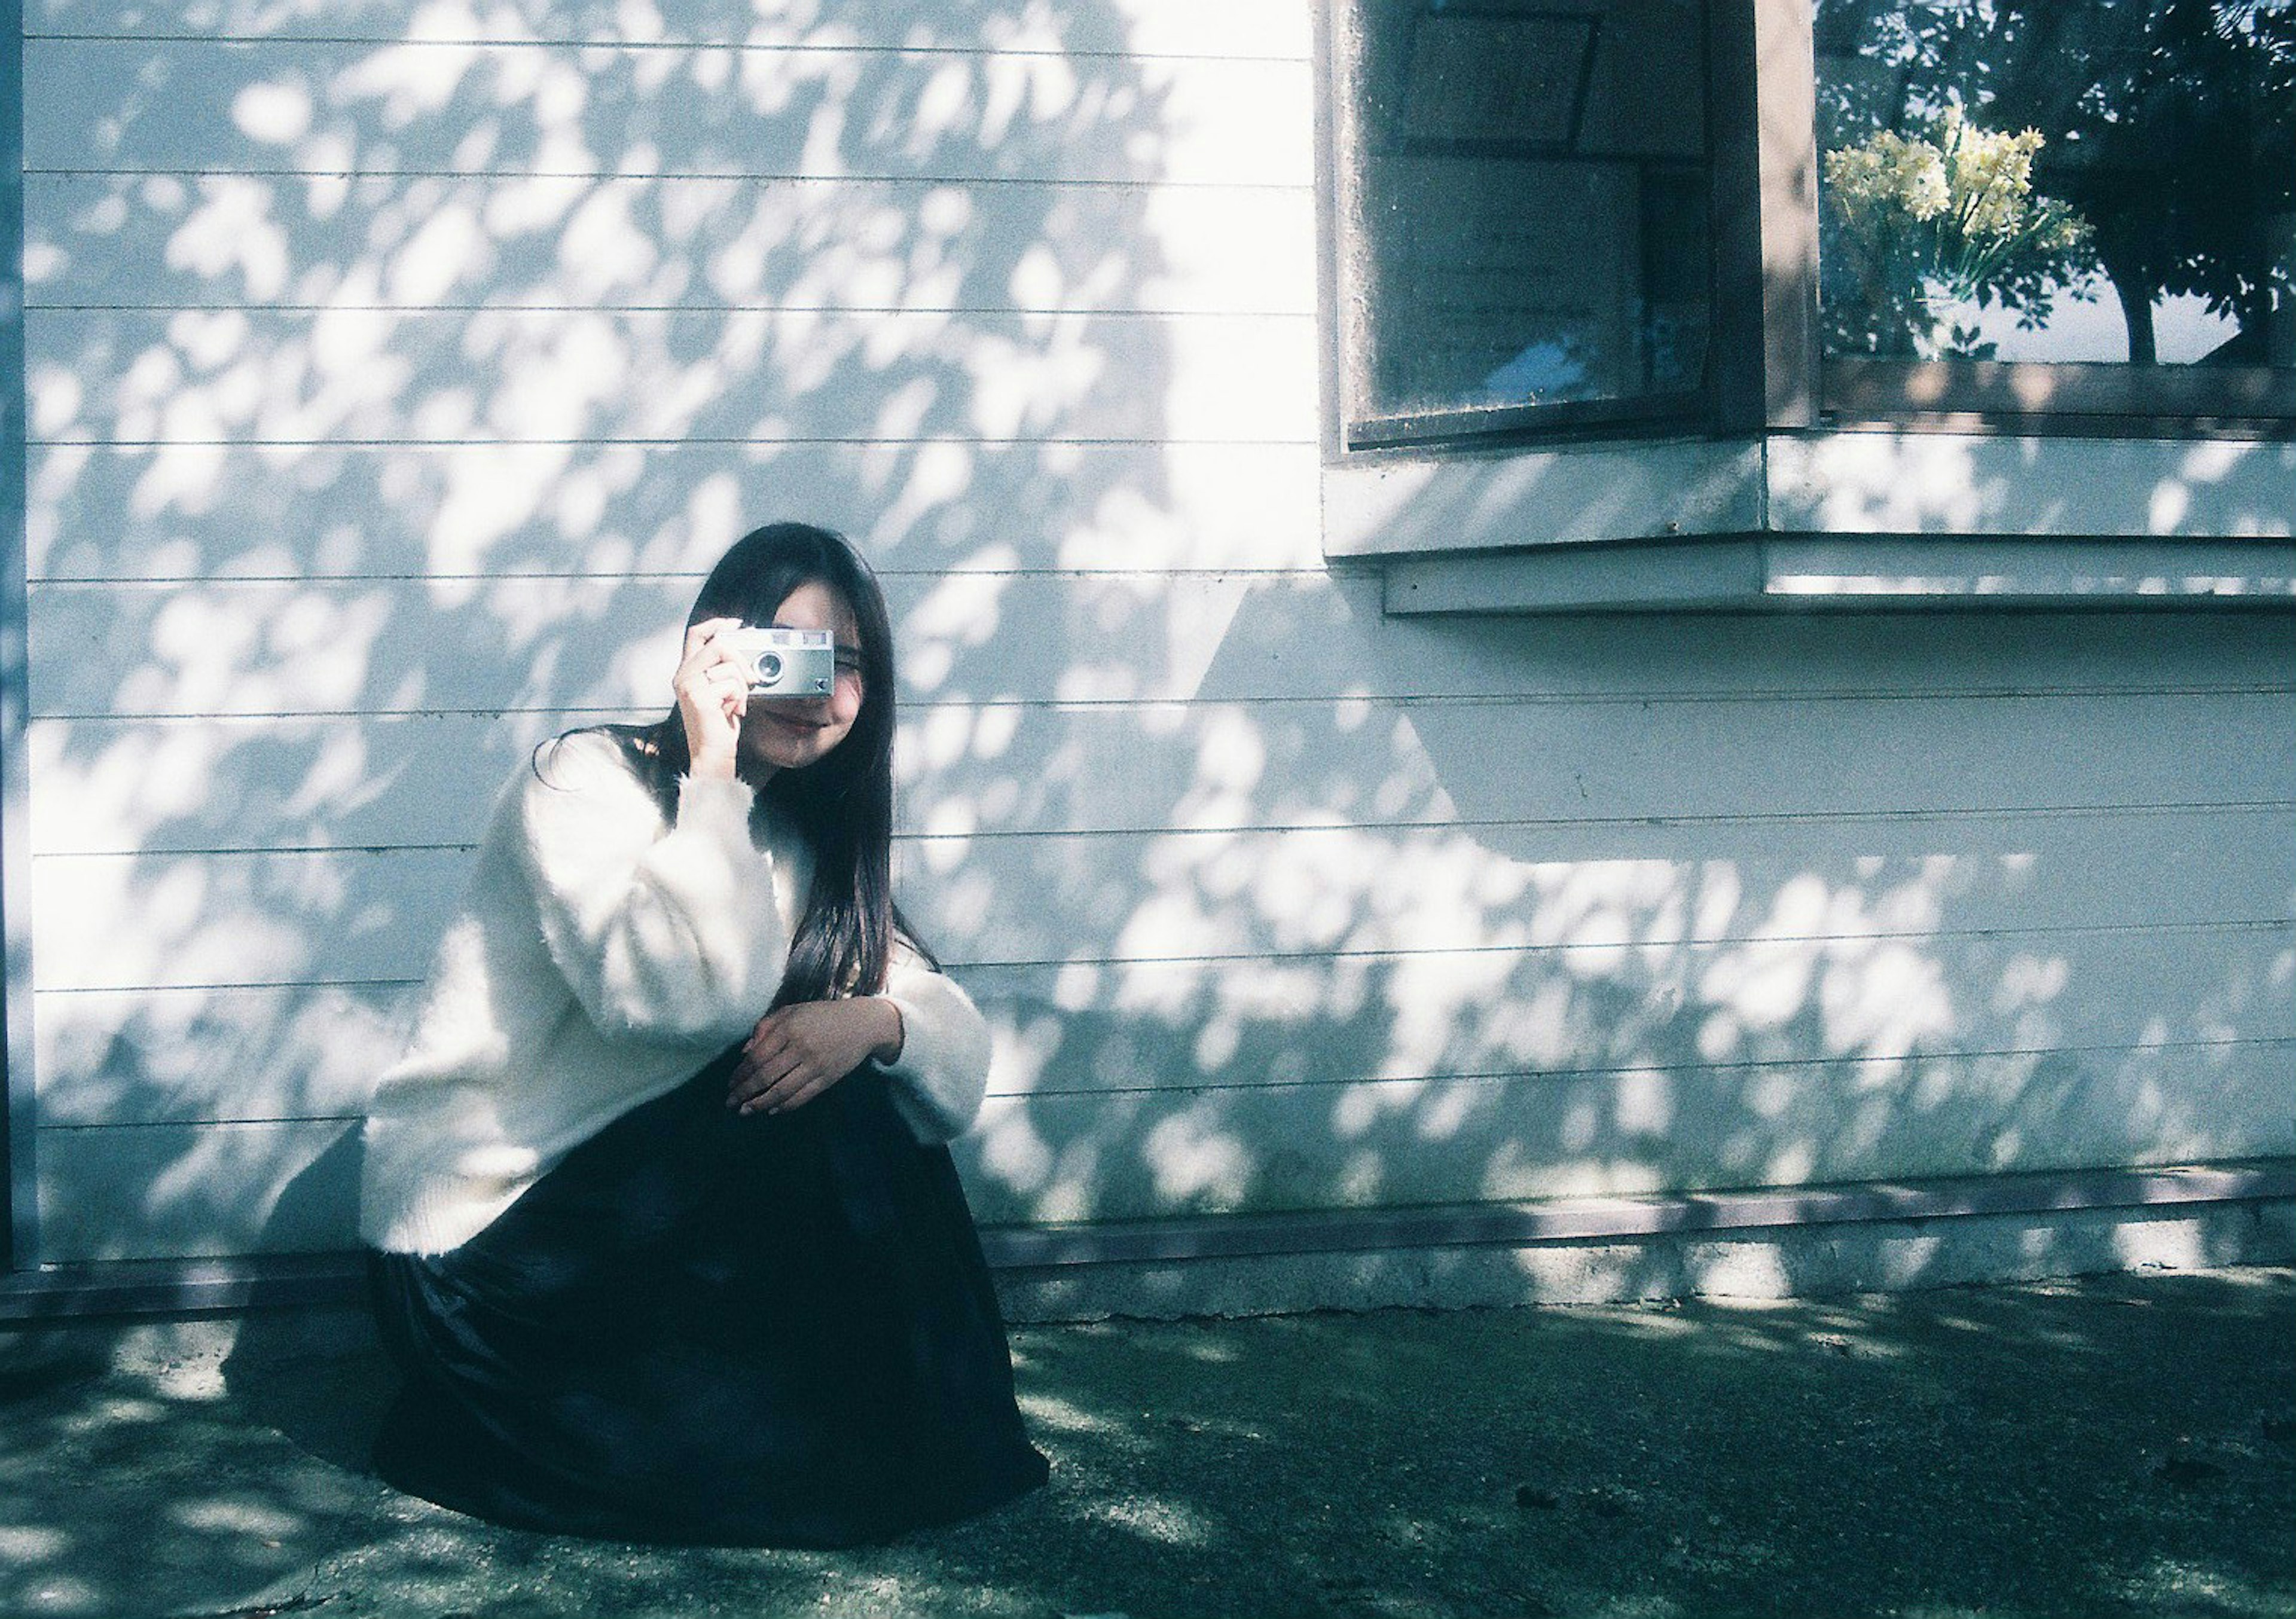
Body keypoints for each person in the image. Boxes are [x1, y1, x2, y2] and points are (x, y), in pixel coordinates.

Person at [356, 521, 1049, 1545]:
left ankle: (929, 1429)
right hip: (474, 1248)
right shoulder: (580, 781)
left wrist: (877, 1018)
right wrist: (714, 773)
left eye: (846, 665)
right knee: (810, 1098)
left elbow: (954, 1063)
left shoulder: (799, 840)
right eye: (786, 654)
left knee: (856, 1072)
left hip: (613, 1226)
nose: (816, 690)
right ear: (714, 653)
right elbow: (680, 1000)